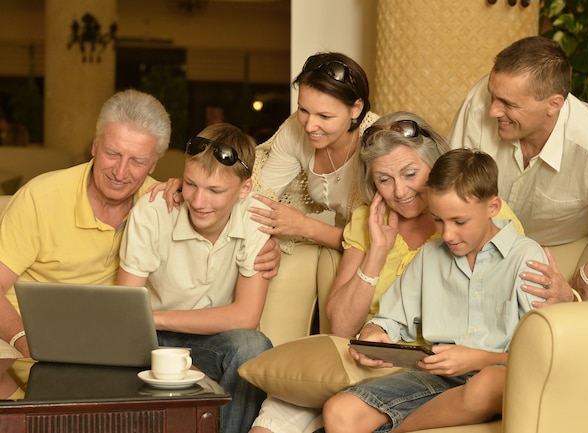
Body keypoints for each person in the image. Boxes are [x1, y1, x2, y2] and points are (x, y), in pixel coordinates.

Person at [249, 113, 523, 433]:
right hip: (373, 366)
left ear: (436, 167)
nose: (400, 191)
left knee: (343, 414)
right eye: (384, 179)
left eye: (410, 174)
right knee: (271, 423)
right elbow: (342, 325)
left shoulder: (478, 210)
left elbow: (517, 299)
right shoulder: (369, 220)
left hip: (450, 367)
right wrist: (377, 251)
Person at [0, 90, 279, 394]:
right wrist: (24, 342)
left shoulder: (161, 200)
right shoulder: (42, 197)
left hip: (107, 346)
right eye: (112, 153)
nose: (120, 172)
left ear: (155, 164)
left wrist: (269, 244)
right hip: (25, 346)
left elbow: (206, 196)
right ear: (94, 145)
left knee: (243, 348)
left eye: (137, 160)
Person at [157, 52, 379, 344]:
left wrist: (303, 227)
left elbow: (380, 236)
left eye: (324, 116)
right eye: (304, 110)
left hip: (376, 241)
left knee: (332, 265)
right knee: (269, 258)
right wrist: (195, 188)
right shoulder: (296, 131)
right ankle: (273, 370)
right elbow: (258, 193)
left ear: (356, 109)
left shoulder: (376, 142)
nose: (310, 125)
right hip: (344, 234)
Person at [322, 148, 547, 432]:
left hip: (501, 373)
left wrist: (480, 358)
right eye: (438, 220)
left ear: (492, 207)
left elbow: (544, 351)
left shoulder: (526, 257)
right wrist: (374, 335)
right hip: (437, 376)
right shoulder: (430, 255)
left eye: (459, 222)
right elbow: (390, 319)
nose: (448, 234)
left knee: (486, 384)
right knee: (339, 411)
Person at [117, 123, 273, 433]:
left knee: (252, 346)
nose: (199, 201)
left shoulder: (257, 216)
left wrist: (155, 317)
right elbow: (126, 313)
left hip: (203, 338)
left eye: (215, 191)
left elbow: (247, 315)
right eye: (191, 184)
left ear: (244, 190)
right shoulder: (154, 210)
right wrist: (151, 326)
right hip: (150, 339)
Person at [447, 35, 588, 302]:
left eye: (508, 104)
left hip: (556, 254)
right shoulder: (481, 102)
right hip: (471, 245)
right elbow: (449, 192)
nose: (493, 111)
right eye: (492, 95)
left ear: (553, 104)